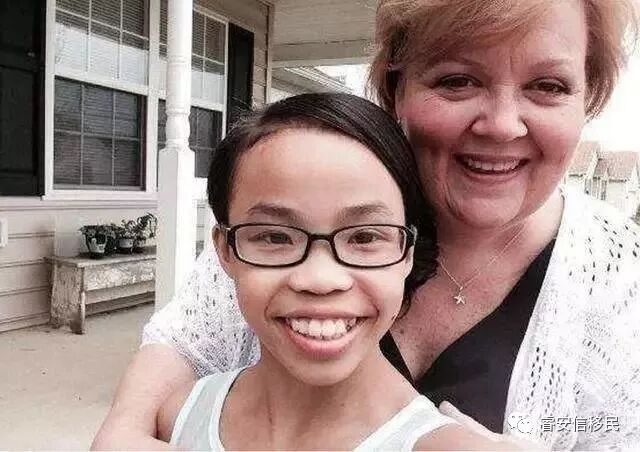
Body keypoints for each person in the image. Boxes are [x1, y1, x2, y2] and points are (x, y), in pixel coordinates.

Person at [92, 0, 640, 450]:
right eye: (457, 80)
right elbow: (185, 345)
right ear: (396, 90)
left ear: (586, 99)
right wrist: (123, 429)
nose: (501, 125)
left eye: (548, 86)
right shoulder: (290, 219)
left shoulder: (621, 281)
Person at [154, 92, 501, 450]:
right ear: (225, 251)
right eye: (275, 237)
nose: (320, 279)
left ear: (407, 253)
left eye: (364, 237)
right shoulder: (179, 418)